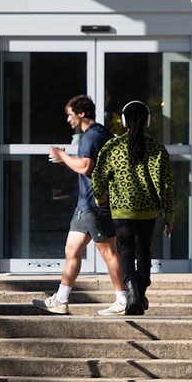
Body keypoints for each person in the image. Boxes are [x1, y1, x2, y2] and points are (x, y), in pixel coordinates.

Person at [33, 95, 128, 317]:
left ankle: (123, 299)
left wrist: (62, 156)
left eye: (70, 114)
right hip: (85, 204)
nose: (68, 119)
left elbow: (86, 167)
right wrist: (66, 160)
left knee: (109, 253)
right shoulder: (97, 133)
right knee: (72, 250)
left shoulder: (92, 135)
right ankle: (61, 299)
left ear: (81, 114)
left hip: (96, 205)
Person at [91, 100, 174, 317]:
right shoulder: (157, 148)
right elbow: (166, 184)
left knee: (125, 250)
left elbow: (98, 177)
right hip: (148, 210)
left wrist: (101, 200)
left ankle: (131, 290)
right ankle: (141, 291)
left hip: (121, 210)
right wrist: (169, 214)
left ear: (125, 121)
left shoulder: (112, 147)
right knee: (144, 250)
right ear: (147, 120)